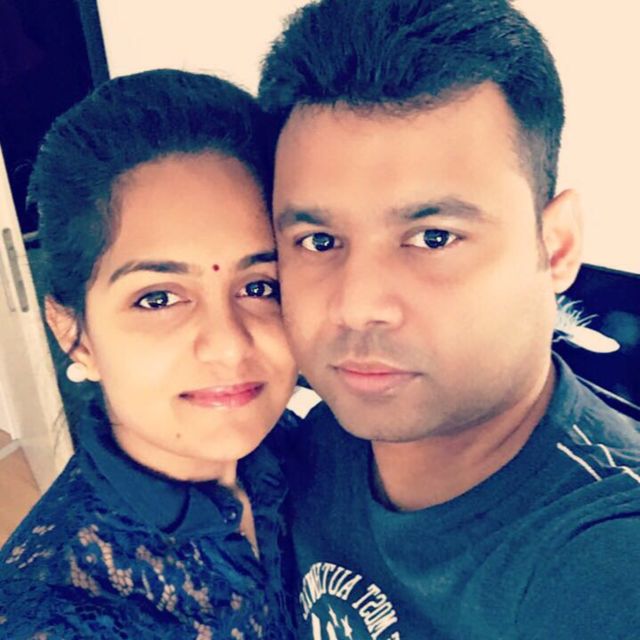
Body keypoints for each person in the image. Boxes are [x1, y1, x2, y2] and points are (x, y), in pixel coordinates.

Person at [258, 0, 640, 638]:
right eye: (320, 242)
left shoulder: (604, 563)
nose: (357, 306)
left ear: (556, 247)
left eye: (433, 238)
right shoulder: (311, 448)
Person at [0, 69, 298, 639]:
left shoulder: (307, 452)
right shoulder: (58, 616)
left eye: (260, 286)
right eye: (158, 298)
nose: (228, 343)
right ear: (73, 332)